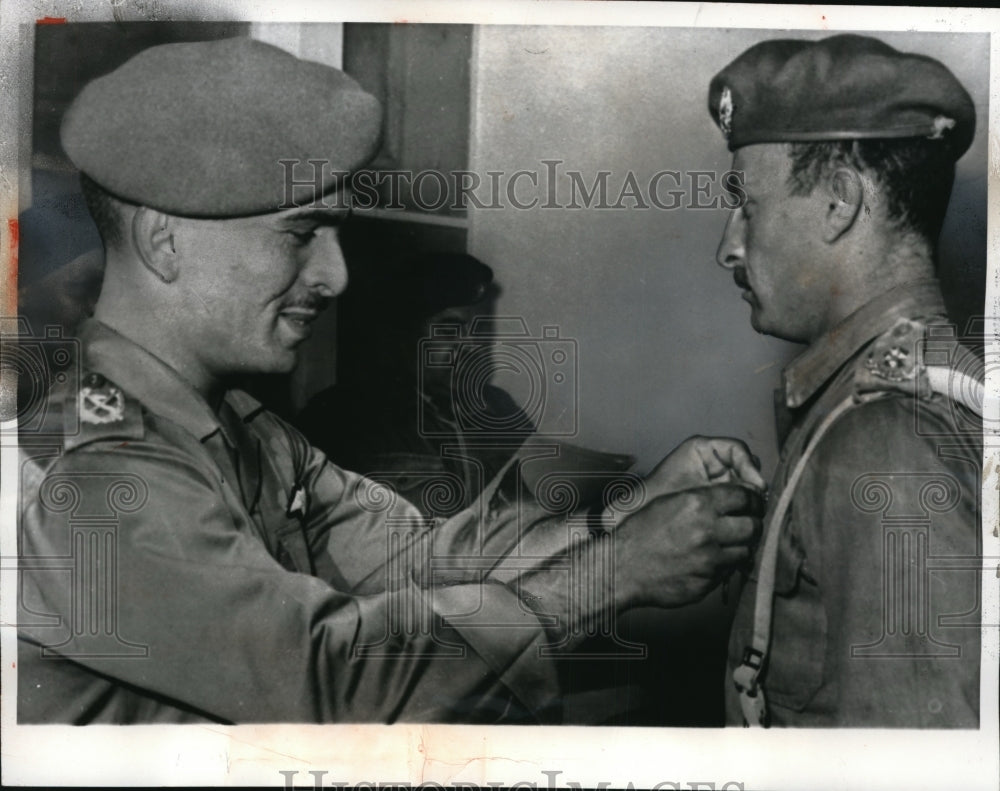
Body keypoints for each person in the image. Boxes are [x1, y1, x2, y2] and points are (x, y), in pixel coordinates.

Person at [16, 36, 766, 725]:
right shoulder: (94, 476)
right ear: (163, 240)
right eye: (302, 234)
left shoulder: (246, 431)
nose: (335, 275)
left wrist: (622, 522)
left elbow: (419, 562)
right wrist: (617, 571)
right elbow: (333, 682)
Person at [708, 34, 983, 727]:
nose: (728, 246)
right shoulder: (905, 394)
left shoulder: (888, 439)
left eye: (749, 205)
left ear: (839, 202)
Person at [297, 251, 633, 519]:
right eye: (449, 330)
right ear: (403, 337)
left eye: (477, 331)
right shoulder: (340, 416)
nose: (470, 345)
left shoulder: (498, 408)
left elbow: (535, 504)